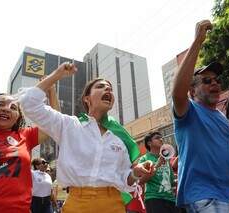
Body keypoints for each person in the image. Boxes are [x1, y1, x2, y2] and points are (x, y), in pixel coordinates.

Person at [18, 61, 155, 213]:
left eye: (110, 88)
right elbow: (29, 103)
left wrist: (136, 173)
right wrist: (57, 75)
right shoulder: (69, 125)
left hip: (113, 205)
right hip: (77, 204)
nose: (108, 89)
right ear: (87, 99)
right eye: (100, 86)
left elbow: (125, 179)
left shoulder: (120, 137)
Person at [172, 19, 229, 212]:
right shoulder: (189, 111)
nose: (215, 83)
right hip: (203, 197)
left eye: (217, 80)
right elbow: (178, 92)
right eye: (207, 80)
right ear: (192, 91)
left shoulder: (222, 120)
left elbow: (219, 154)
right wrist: (198, 41)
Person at [138, 131, 180, 213]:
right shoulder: (144, 159)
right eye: (157, 138)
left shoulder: (166, 159)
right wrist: (157, 165)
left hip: (171, 199)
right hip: (154, 199)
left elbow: (171, 182)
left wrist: (183, 178)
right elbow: (141, 180)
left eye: (161, 137)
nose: (161, 139)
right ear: (149, 143)